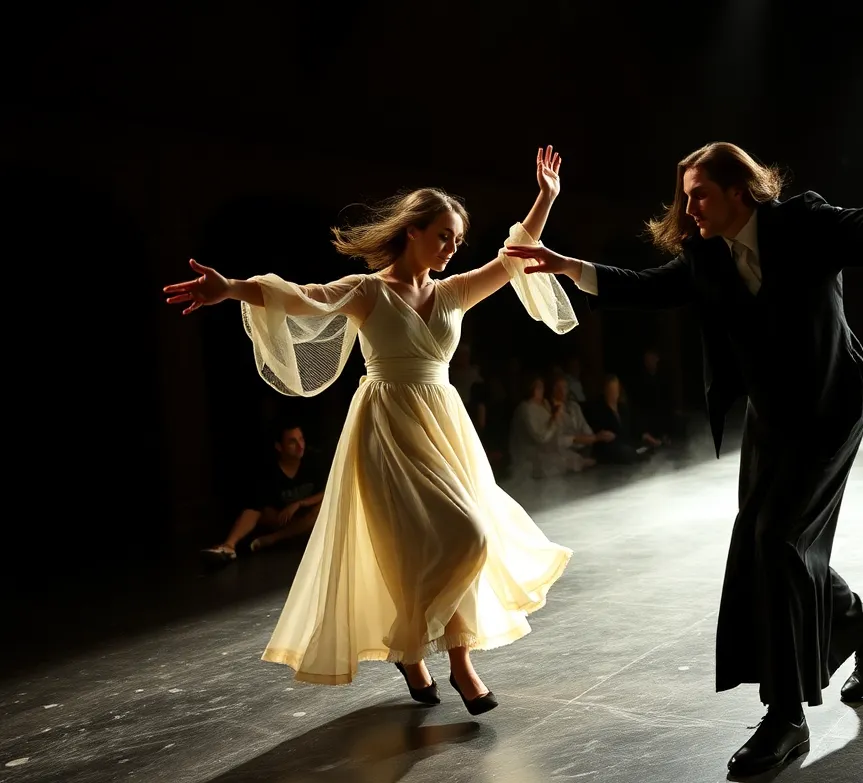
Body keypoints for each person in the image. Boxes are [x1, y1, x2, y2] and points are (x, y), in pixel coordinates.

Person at [507, 141, 863, 774]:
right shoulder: (707, 255)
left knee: (778, 541)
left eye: (699, 193)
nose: (689, 206)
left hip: (830, 408)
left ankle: (785, 718)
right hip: (772, 421)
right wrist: (568, 265)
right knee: (778, 545)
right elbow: (651, 288)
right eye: (685, 195)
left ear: (740, 190)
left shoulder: (802, 223)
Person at [164, 146, 579, 715]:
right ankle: (440, 658)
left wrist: (545, 198)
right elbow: (302, 298)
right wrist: (231, 288)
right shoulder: (368, 292)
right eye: (444, 236)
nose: (453, 248)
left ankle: (437, 655)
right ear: (412, 231)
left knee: (465, 537)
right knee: (438, 543)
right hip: (388, 429)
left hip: (443, 426)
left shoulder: (452, 291)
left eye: (457, 240)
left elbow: (512, 260)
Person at [201, 422, 326, 562]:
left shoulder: (313, 462)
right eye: (292, 442)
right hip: (283, 520)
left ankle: (273, 539)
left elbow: (328, 491)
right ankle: (229, 546)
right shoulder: (270, 471)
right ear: (279, 447)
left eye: (301, 439)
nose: (300, 445)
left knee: (322, 510)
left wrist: (300, 503)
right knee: (255, 510)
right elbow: (261, 507)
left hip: (309, 522)